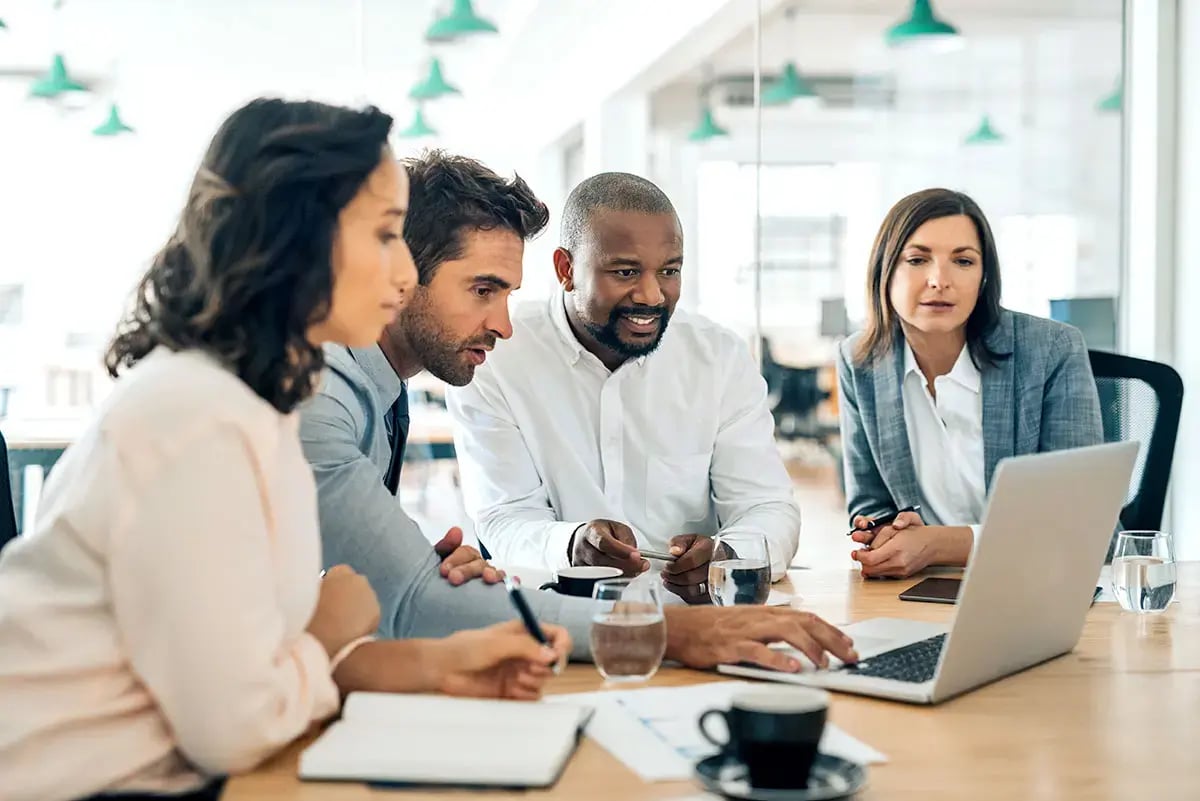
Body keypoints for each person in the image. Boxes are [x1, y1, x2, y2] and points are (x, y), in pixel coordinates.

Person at [0, 99, 568, 801]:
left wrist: (436, 662)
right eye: (386, 235)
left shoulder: (253, 407)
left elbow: (255, 658)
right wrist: (330, 627)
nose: (403, 274)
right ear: (299, 238)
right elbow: (233, 723)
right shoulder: (198, 416)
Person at [301, 151, 858, 668]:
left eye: (669, 270)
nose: (503, 324)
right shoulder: (323, 397)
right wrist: (672, 633)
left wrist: (427, 573)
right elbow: (414, 600)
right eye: (482, 290)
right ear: (399, 274)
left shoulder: (378, 388)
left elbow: (377, 590)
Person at [445, 171, 802, 604]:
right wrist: (571, 545)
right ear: (566, 270)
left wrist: (729, 556)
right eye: (626, 271)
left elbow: (768, 508)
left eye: (669, 271)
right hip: (561, 620)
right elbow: (504, 518)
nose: (652, 295)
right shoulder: (498, 356)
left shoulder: (718, 358)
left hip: (697, 620)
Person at [837, 188, 1104, 579]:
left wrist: (939, 543)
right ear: (884, 271)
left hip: (1042, 580)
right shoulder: (860, 361)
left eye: (963, 261)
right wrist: (883, 531)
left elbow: (1079, 520)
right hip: (922, 587)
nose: (939, 280)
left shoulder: (1051, 350)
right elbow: (871, 502)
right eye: (917, 259)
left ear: (983, 278)